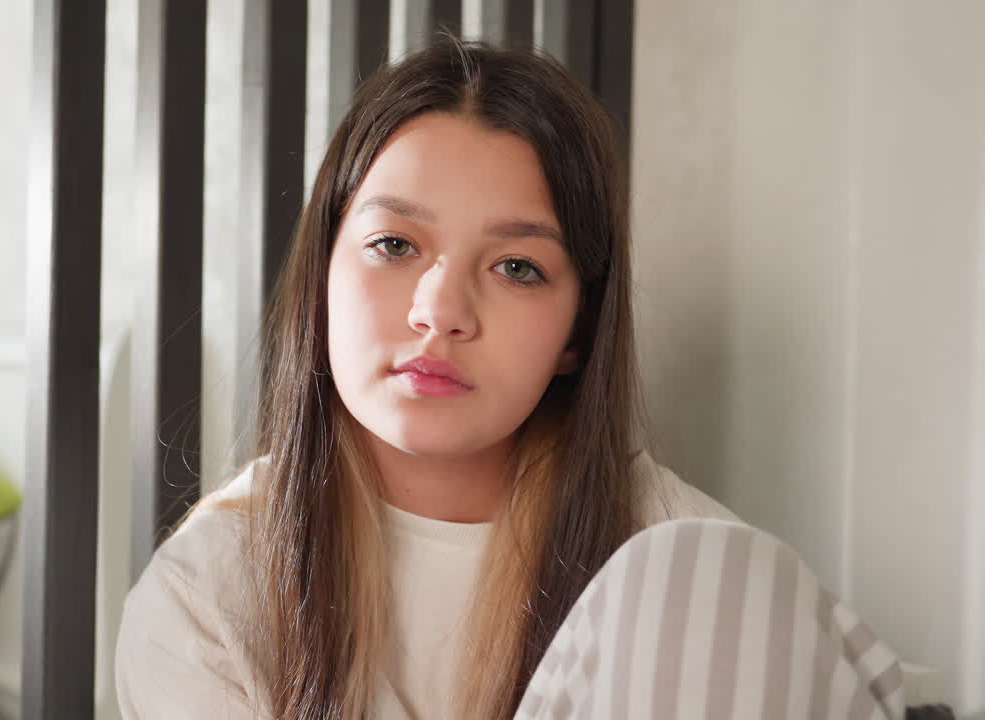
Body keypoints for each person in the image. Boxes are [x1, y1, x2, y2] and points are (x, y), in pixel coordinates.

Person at [115, 37, 905, 719]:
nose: (441, 311)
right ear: (322, 271)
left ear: (577, 332)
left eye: (517, 267)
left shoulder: (685, 571)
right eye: (395, 245)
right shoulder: (209, 594)